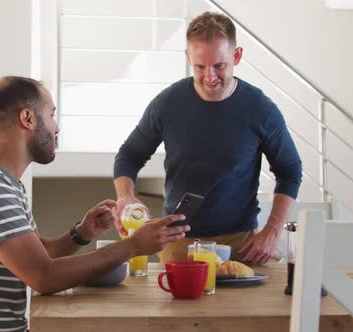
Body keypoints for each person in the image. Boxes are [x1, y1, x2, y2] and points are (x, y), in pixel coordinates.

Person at [0, 76, 190, 331]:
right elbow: (43, 276)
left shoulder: (1, 181)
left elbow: (37, 253)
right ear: (27, 118)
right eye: (51, 114)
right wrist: (133, 245)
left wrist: (81, 233)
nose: (57, 127)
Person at [113, 12, 302, 266]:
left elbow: (290, 171)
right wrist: (125, 196)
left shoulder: (261, 109)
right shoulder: (167, 103)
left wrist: (272, 231)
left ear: (236, 56)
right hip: (177, 241)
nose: (210, 77)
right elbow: (129, 156)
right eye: (200, 67)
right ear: (189, 57)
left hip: (240, 244)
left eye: (219, 66)